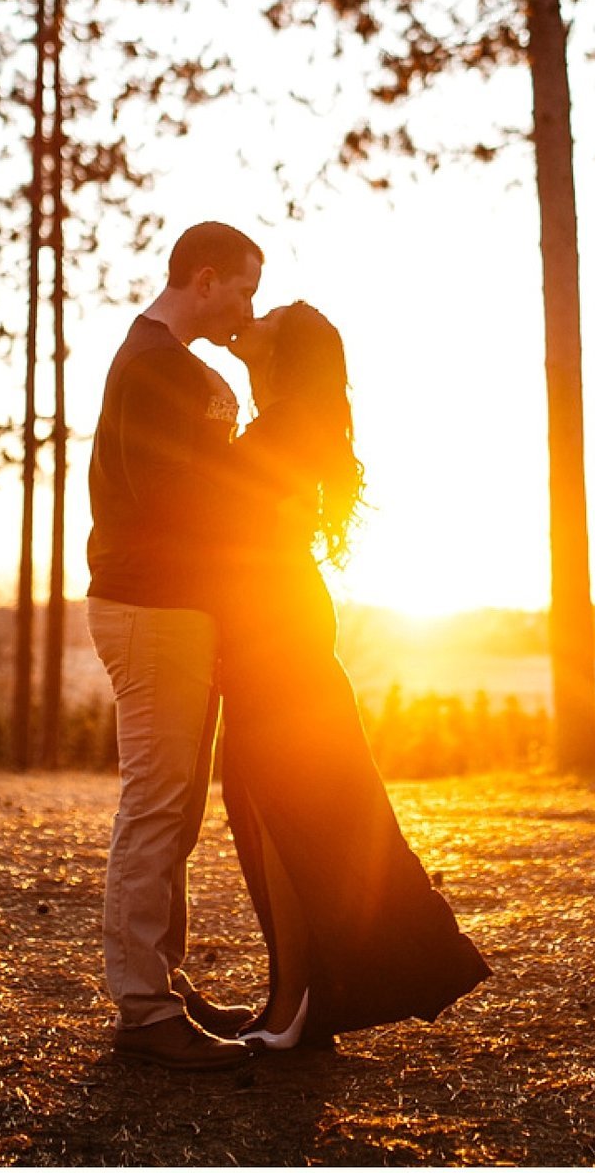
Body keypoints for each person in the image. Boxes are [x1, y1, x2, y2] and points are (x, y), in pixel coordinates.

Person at [215, 301, 491, 1050]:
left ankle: (296, 1005)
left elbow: (253, 523)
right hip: (267, 619)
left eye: (266, 316)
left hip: (273, 623)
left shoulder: (285, 422)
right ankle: (297, 994)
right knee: (276, 812)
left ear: (291, 348)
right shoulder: (283, 413)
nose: (253, 317)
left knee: (293, 815)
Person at [84, 221, 265, 1072]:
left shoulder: (177, 364)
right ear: (204, 277)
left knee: (180, 802)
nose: (247, 306)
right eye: (243, 287)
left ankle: (162, 979)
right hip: (149, 605)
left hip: (180, 609)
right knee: (156, 800)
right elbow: (168, 497)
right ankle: (143, 1011)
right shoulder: (152, 363)